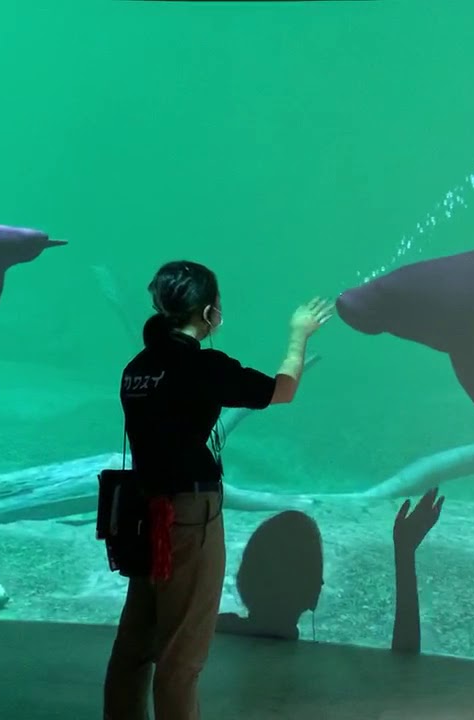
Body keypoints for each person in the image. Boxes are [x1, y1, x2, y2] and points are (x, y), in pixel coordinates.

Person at [102, 260, 334, 720]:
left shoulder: (137, 369)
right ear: (208, 312)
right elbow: (282, 390)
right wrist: (298, 334)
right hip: (189, 517)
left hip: (146, 514)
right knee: (181, 656)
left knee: (134, 646)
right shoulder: (205, 367)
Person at [215, 488, 445, 652]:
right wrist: (404, 553)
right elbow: (404, 670)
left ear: (243, 579)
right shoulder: (320, 665)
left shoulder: (206, 636)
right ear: (313, 595)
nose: (322, 583)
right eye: (317, 575)